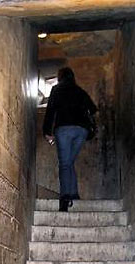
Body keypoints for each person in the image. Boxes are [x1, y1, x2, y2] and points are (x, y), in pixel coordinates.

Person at [43, 67, 97, 212]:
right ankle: (73, 193)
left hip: (64, 129)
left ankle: (65, 198)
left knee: (65, 164)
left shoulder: (56, 90)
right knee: (69, 161)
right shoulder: (80, 91)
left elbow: (50, 111)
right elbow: (93, 109)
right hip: (81, 131)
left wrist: (47, 131)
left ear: (60, 77)